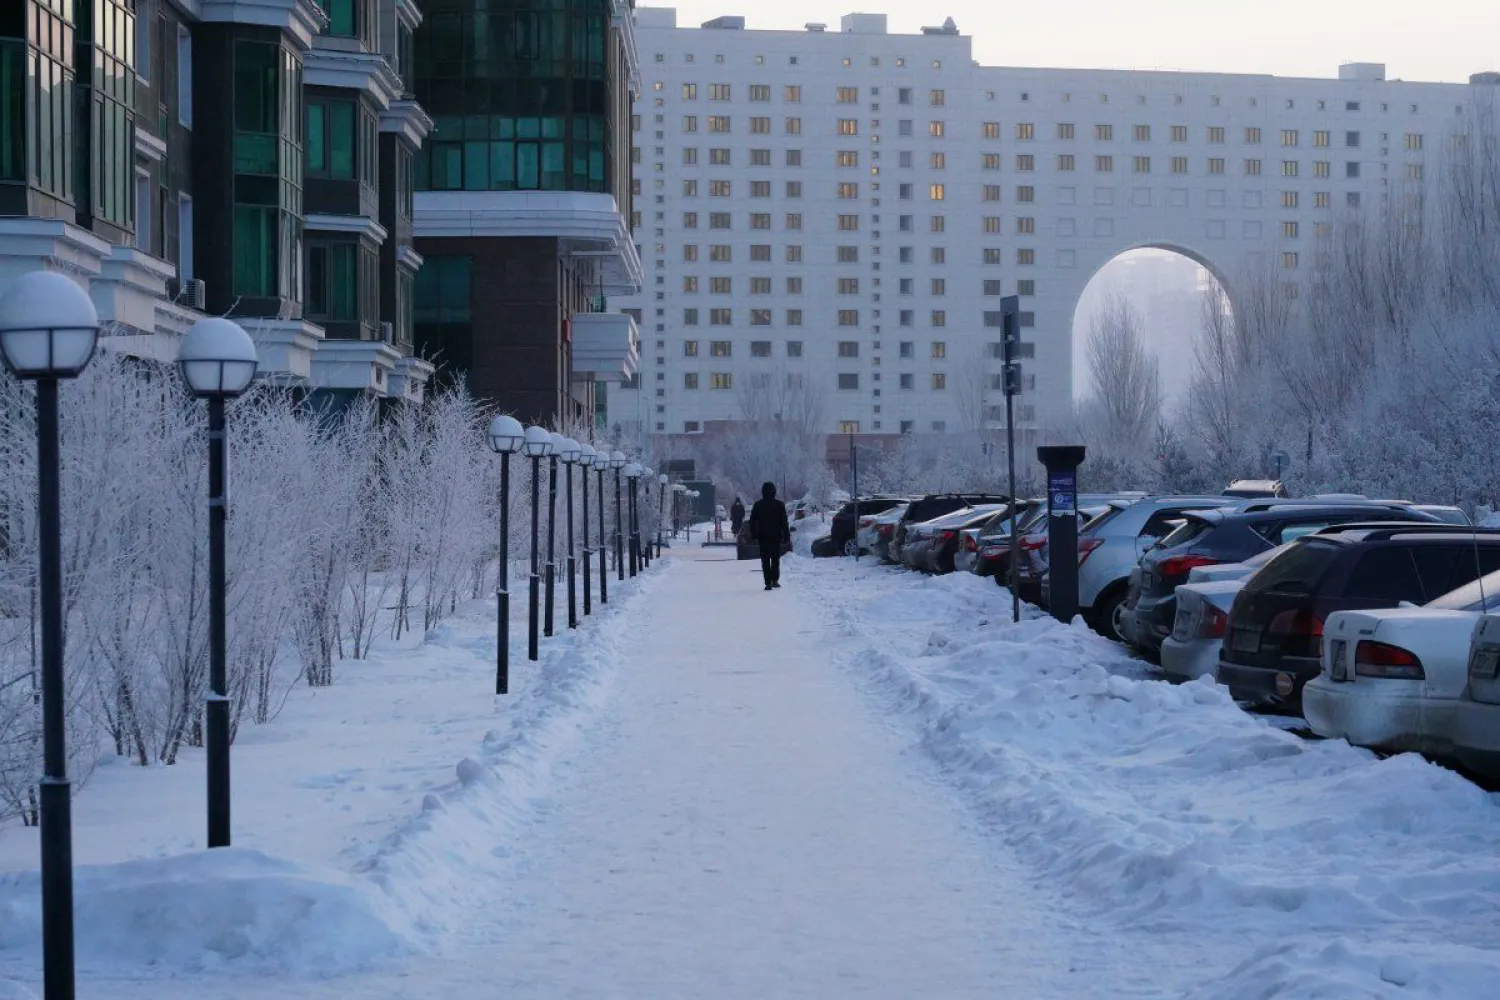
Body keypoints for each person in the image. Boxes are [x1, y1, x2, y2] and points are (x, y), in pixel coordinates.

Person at [747, 482, 791, 590]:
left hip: (763, 536)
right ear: (774, 492)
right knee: (775, 558)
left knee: (765, 559)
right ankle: (775, 580)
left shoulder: (758, 505)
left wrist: (753, 534)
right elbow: (784, 522)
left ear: (762, 492)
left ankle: (768, 582)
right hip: (776, 536)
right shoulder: (779, 505)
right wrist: (786, 535)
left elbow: (752, 521)